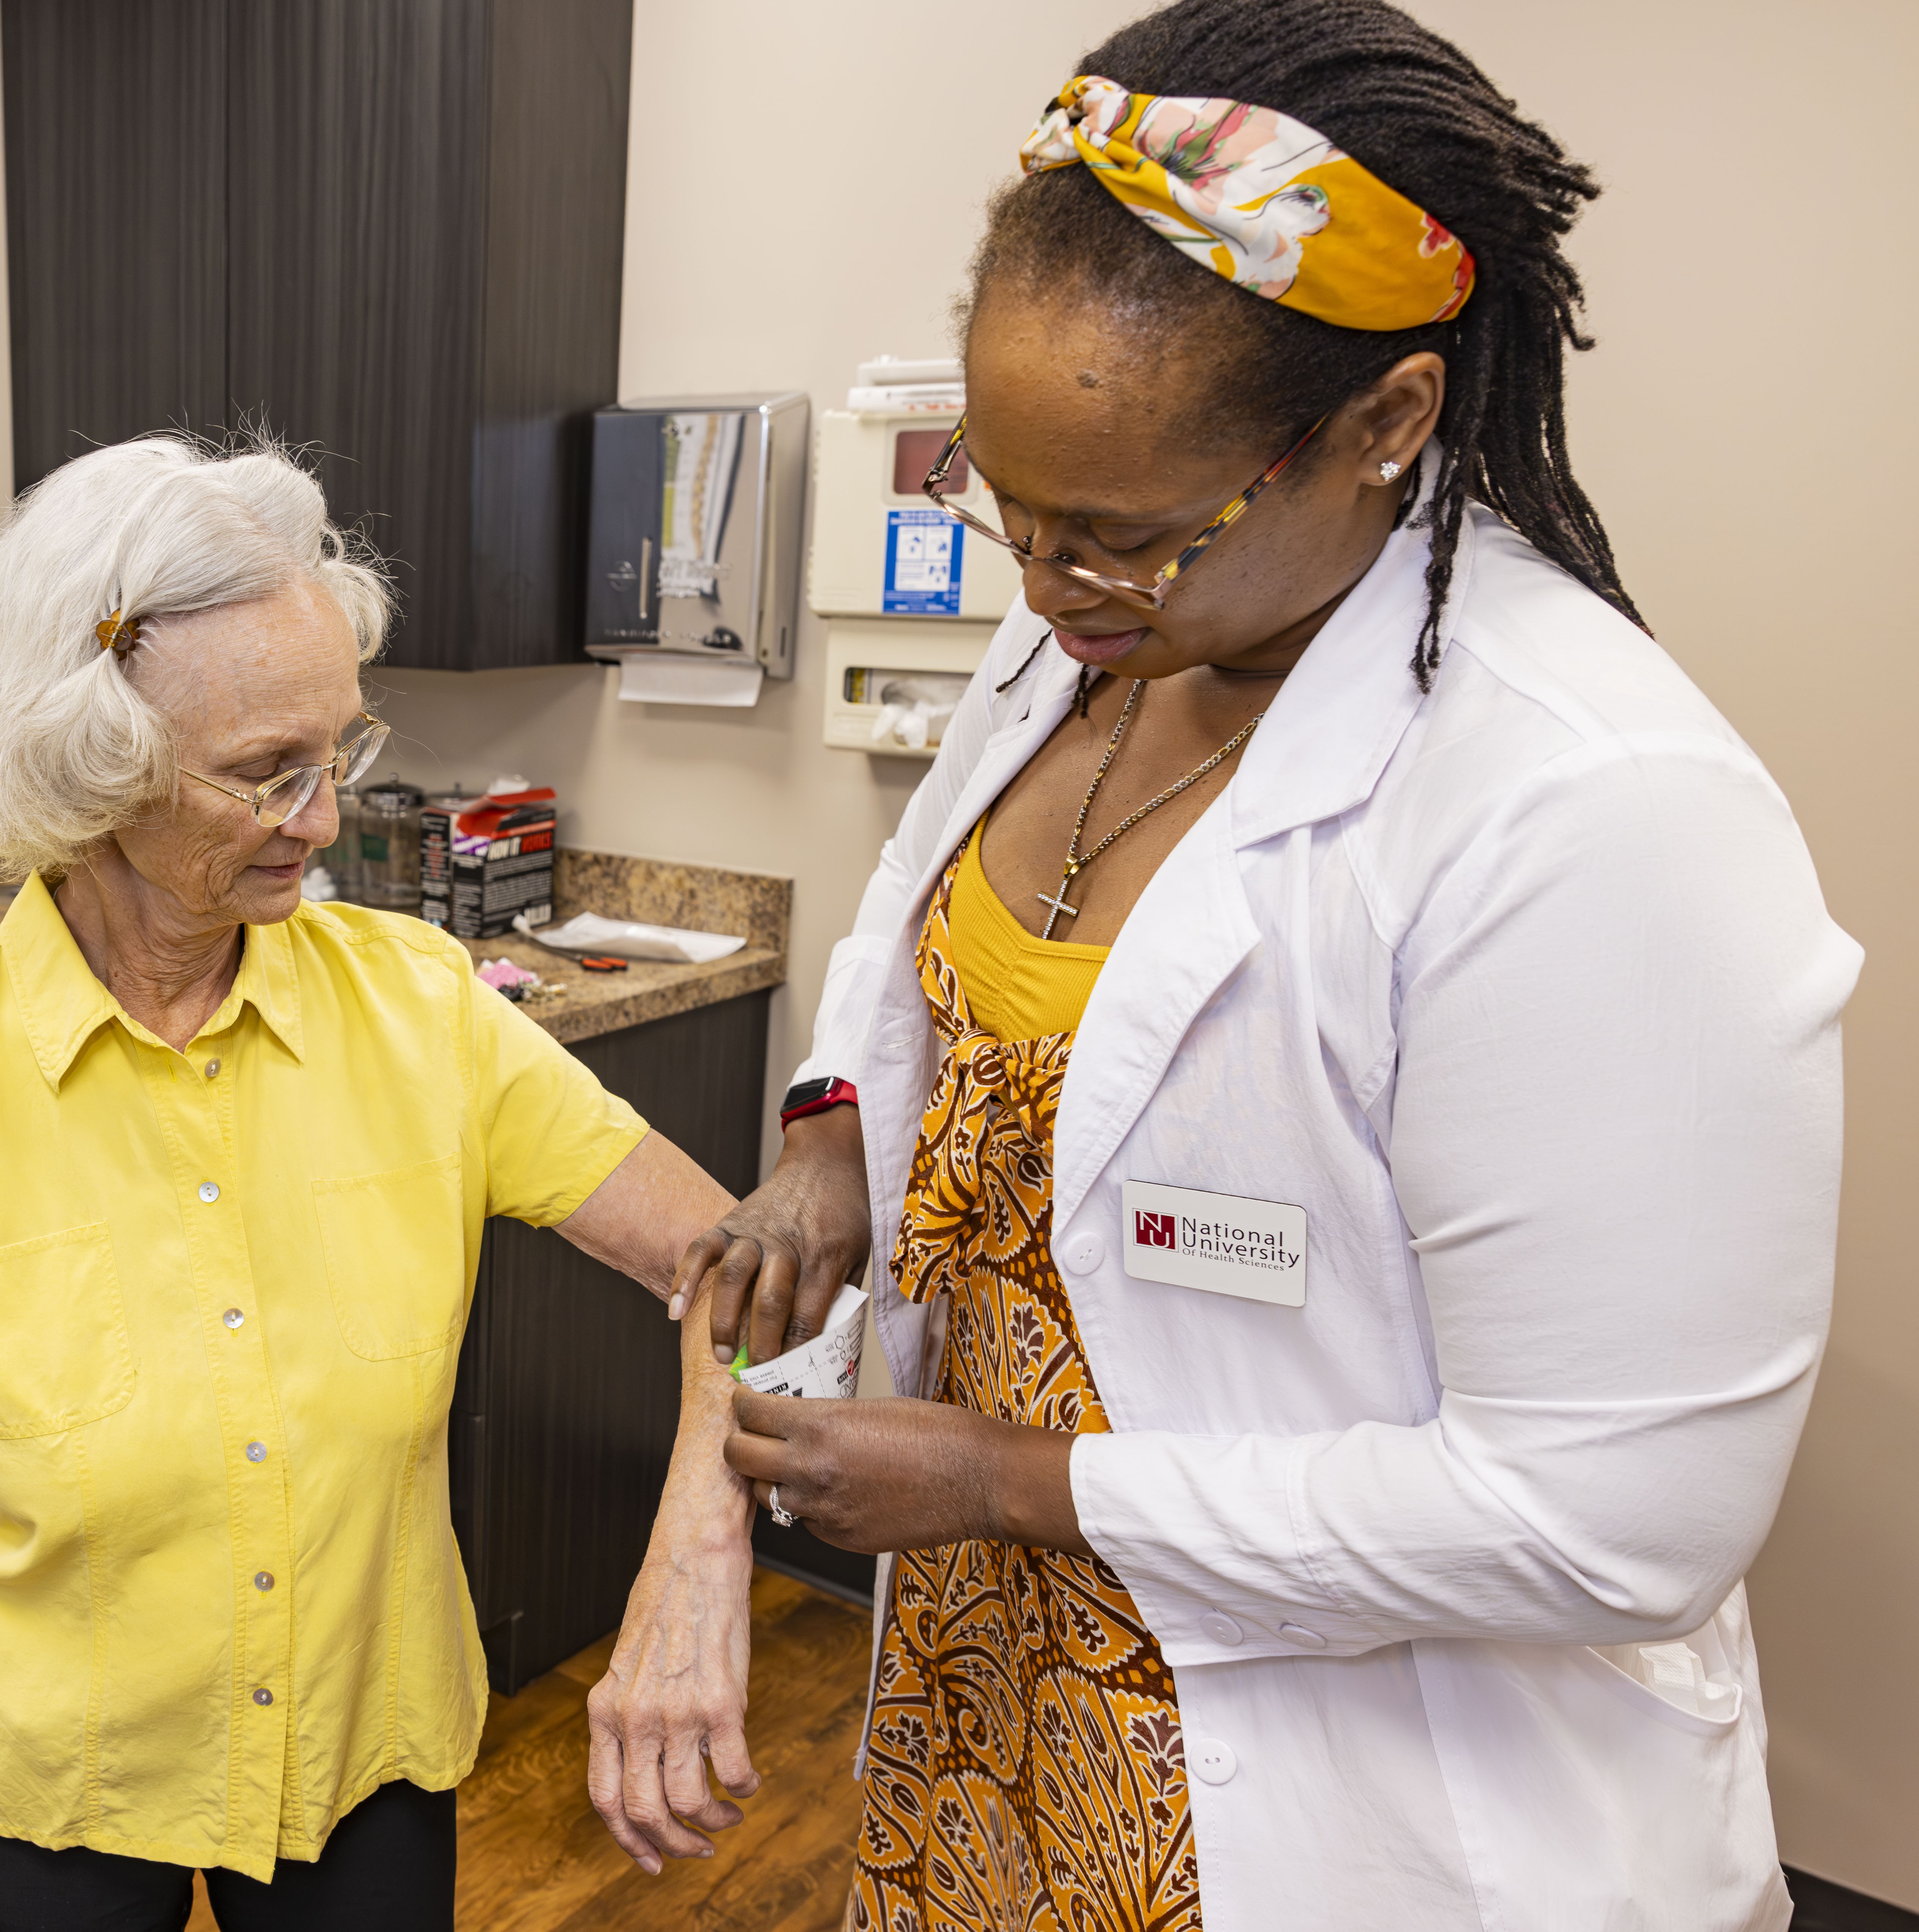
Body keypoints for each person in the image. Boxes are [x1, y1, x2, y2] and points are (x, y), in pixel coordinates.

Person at [586, 5, 1857, 1928]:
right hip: (992, 1708)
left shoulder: (1589, 811)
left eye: (1110, 534)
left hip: (1350, 1812)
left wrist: (1007, 1480)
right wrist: (835, 1133)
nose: (1037, 588)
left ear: (1385, 425)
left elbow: (1609, 1529)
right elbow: (902, 930)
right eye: (1001, 506)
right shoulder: (1090, 640)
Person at [0, 438, 737, 1932]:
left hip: (357, 1746)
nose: (323, 817)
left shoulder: (423, 1009)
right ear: (83, 765)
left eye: (340, 751)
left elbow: (733, 1266)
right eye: (260, 773)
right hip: (42, 1770)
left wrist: (697, 1552)